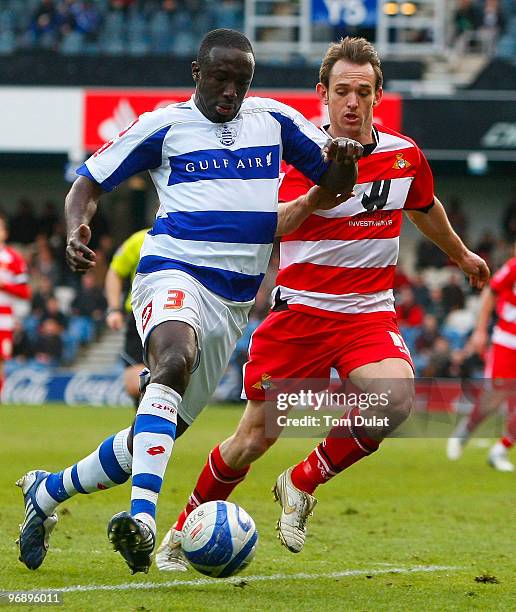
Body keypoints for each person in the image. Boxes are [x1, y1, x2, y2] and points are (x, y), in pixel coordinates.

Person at [16, 28, 363, 573]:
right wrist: (75, 228)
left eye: (241, 82)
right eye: (220, 79)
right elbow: (88, 181)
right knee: (172, 360)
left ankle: (46, 492)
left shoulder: (272, 120)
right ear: (196, 74)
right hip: (171, 271)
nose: (230, 92)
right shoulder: (165, 125)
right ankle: (144, 520)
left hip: (232, 304)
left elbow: (336, 181)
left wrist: (344, 158)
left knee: (150, 438)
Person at [154, 36, 491, 570]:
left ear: (379, 94)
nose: (351, 103)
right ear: (322, 94)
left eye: (362, 91)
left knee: (396, 400)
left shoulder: (404, 156)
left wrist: (463, 254)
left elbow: (423, 206)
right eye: (341, 92)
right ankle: (182, 529)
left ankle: (302, 481)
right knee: (252, 440)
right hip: (300, 317)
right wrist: (315, 195)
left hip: (367, 315)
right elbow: (267, 224)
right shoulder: (291, 154)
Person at [447, 250, 516, 472]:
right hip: (507, 342)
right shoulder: (513, 266)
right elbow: (490, 293)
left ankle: (500, 450)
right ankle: (463, 432)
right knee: (493, 399)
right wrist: (479, 330)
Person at [104, 228, 149, 405]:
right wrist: (114, 309)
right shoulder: (139, 239)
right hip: (140, 314)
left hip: (177, 309)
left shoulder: (190, 236)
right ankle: (146, 425)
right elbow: (115, 271)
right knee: (134, 385)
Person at [0, 212, 31, 396]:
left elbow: (24, 291)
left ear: (5, 233)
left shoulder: (13, 259)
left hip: (3, 316)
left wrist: (4, 285)